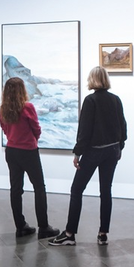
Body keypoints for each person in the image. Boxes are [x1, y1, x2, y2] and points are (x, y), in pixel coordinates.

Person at [50, 66, 127, 246]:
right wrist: (120, 146)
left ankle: (69, 233)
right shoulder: (116, 100)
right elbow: (122, 126)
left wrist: (78, 152)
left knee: (77, 189)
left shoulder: (90, 100)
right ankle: (103, 234)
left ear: (92, 80)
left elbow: (85, 130)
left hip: (94, 151)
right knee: (105, 191)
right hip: (112, 150)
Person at [0, 77, 60, 239]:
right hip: (28, 152)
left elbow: (4, 128)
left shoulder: (3, 109)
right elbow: (36, 128)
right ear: (22, 90)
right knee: (39, 187)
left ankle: (20, 227)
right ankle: (44, 227)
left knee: (16, 189)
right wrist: (31, 139)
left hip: (11, 151)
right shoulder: (28, 107)